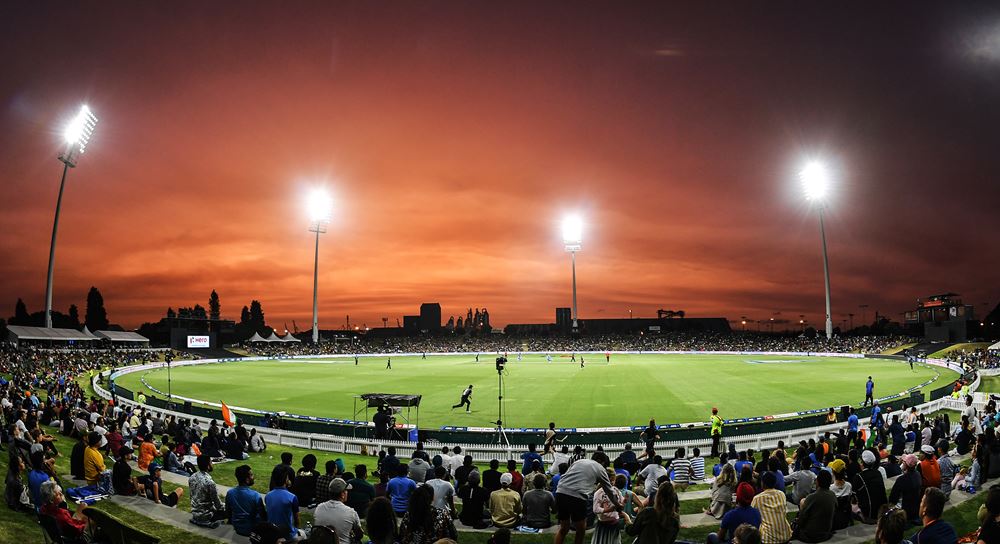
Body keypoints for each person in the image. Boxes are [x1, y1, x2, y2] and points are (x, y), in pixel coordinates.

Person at [555, 451, 618, 544]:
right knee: (581, 530)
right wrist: (618, 504)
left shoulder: (579, 461)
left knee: (564, 528)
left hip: (561, 492)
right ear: (602, 462)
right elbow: (609, 490)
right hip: (578, 496)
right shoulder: (600, 468)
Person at [314, 478, 363, 544]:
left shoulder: (319, 508)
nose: (347, 492)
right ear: (342, 494)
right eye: (346, 490)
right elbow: (359, 534)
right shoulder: (351, 513)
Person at [793, 470, 836, 543]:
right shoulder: (833, 495)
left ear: (818, 482)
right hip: (826, 533)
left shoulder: (812, 497)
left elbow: (801, 520)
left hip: (811, 535)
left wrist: (796, 523)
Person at [751, 472, 791, 544]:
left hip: (768, 539)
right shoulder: (781, 494)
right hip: (786, 536)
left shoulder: (758, 498)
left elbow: (750, 514)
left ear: (762, 483)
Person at [266, 466, 304, 541]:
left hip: (272, 532)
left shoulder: (268, 496)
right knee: (304, 535)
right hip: (287, 535)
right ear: (286, 479)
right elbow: (297, 520)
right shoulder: (292, 497)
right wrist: (297, 529)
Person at [226, 464, 265, 537]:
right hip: (252, 529)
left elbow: (228, 511)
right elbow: (263, 516)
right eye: (251, 475)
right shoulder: (255, 495)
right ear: (247, 480)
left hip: (237, 527)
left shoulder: (230, 493)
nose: (253, 477)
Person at [190, 454, 227, 526]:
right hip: (206, 515)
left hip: (194, 512)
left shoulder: (192, 477)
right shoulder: (209, 483)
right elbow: (218, 505)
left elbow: (192, 496)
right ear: (208, 466)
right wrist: (227, 506)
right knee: (231, 509)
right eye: (211, 462)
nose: (212, 464)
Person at [853, 450, 888, 522]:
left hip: (869, 514)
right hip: (881, 511)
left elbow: (854, 497)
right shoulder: (878, 473)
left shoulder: (859, 476)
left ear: (862, 462)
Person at [889, 454, 922, 524]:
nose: (902, 463)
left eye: (904, 462)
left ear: (906, 465)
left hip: (905, 512)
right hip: (915, 510)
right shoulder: (918, 474)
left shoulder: (901, 479)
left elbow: (892, 499)